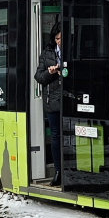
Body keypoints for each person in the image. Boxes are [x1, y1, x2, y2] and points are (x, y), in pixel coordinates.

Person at [34, 23, 63, 186]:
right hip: (52, 100)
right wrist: (50, 72)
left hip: (69, 99)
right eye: (57, 38)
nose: (59, 41)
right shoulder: (47, 53)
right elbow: (38, 77)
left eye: (62, 38)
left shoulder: (74, 50)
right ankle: (58, 172)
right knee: (55, 136)